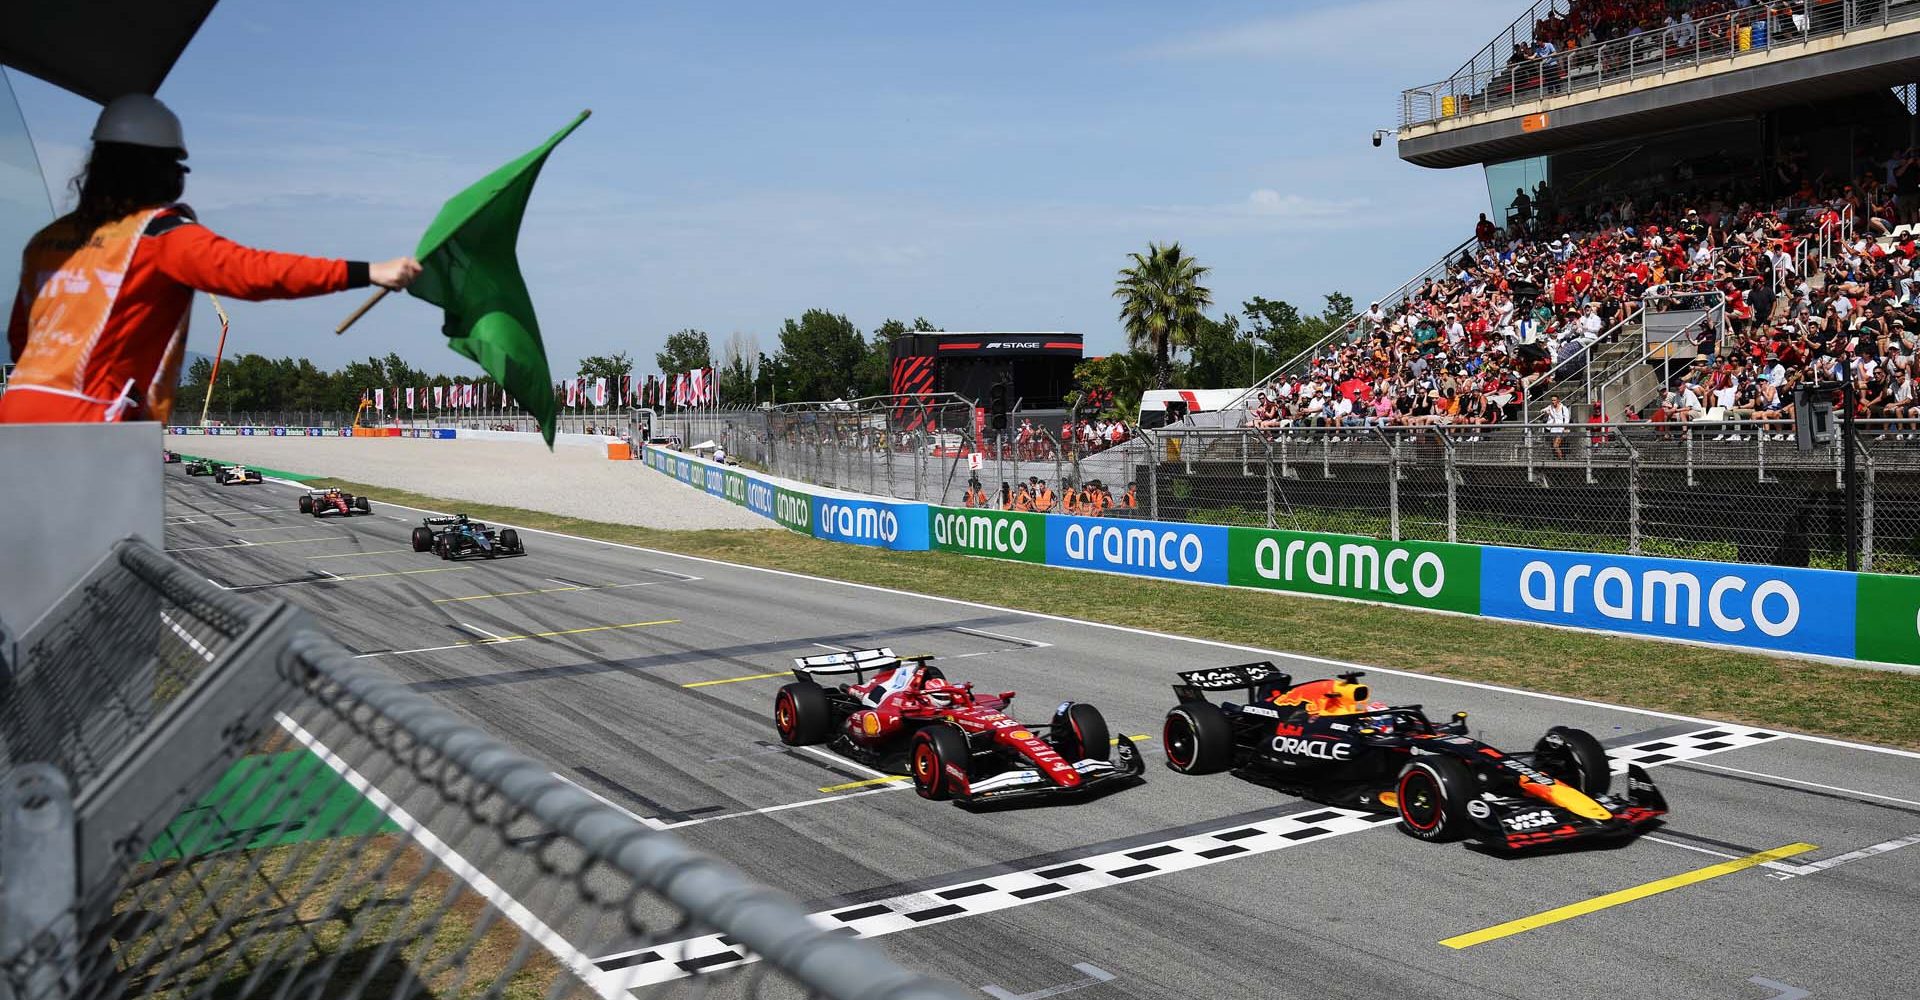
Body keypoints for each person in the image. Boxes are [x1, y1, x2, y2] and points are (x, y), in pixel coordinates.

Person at [2, 95, 421, 423]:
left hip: (16, 409)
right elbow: (255, 272)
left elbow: (22, 338)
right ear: (158, 169)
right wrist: (369, 272)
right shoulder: (160, 235)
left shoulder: (47, 241)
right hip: (91, 418)